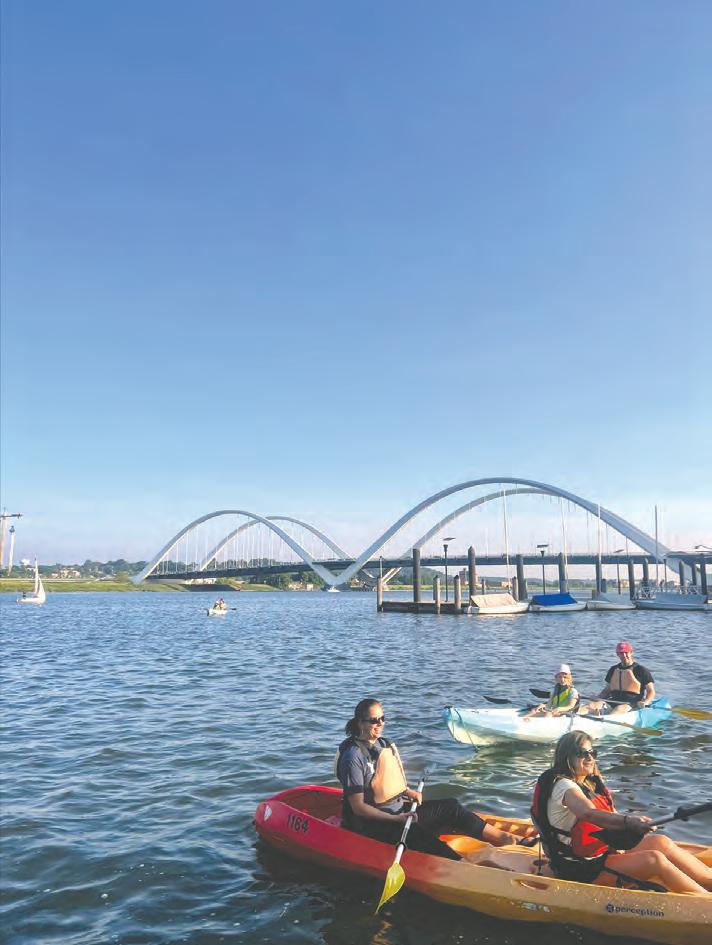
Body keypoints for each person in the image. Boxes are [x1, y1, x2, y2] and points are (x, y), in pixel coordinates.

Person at [336, 698, 532, 861]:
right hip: (373, 824)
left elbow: (386, 781)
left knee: (451, 807)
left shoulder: (382, 744)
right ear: (360, 722)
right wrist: (395, 819)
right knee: (419, 835)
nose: (380, 724)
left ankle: (508, 839)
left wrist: (408, 792)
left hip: (400, 812)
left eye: (382, 718)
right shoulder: (353, 757)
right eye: (374, 720)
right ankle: (462, 865)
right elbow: (358, 807)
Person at [532, 730, 712, 893]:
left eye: (592, 753)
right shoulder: (564, 786)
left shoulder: (587, 783)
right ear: (566, 757)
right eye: (582, 753)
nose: (589, 758)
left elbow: (610, 814)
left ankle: (708, 880)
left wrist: (629, 829)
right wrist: (628, 821)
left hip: (600, 854)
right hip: (580, 868)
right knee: (654, 859)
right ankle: (704, 901)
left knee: (661, 842)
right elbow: (588, 814)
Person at [583, 641, 655, 716]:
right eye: (621, 653)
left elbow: (651, 691)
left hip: (631, 703)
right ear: (617, 654)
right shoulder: (613, 669)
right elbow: (606, 691)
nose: (624, 655)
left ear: (631, 652)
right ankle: (575, 716)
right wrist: (598, 697)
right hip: (613, 701)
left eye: (626, 652)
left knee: (618, 709)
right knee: (590, 705)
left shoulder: (641, 670)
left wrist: (646, 702)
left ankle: (603, 719)